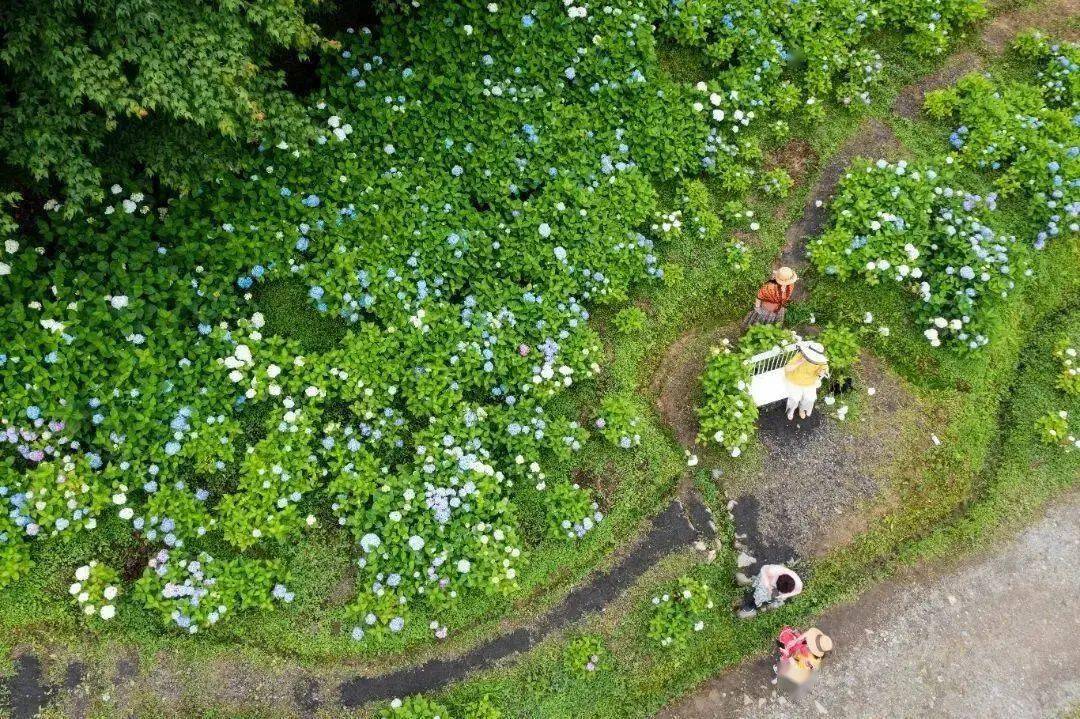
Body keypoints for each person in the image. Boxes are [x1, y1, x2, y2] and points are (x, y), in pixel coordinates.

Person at [783, 341, 829, 421]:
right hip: (794, 379)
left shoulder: (820, 361)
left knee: (810, 398)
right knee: (794, 398)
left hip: (810, 382)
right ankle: (791, 410)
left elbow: (823, 371)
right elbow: (787, 368)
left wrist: (822, 373)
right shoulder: (800, 355)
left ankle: (802, 409)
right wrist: (799, 362)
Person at [738, 563, 803, 619]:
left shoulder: (798, 586)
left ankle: (760, 604)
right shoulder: (774, 570)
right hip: (767, 580)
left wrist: (782, 596)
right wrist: (768, 585)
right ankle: (751, 593)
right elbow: (764, 568)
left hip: (774, 586)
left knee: (770, 598)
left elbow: (796, 592)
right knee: (759, 591)